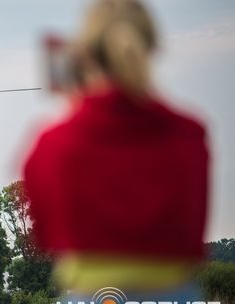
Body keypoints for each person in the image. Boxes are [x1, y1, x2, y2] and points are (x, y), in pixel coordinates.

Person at [23, 0, 209, 302]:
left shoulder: (54, 142)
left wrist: (75, 111)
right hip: (175, 295)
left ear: (85, 54)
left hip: (89, 294)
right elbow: (189, 238)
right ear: (151, 45)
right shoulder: (190, 133)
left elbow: (47, 236)